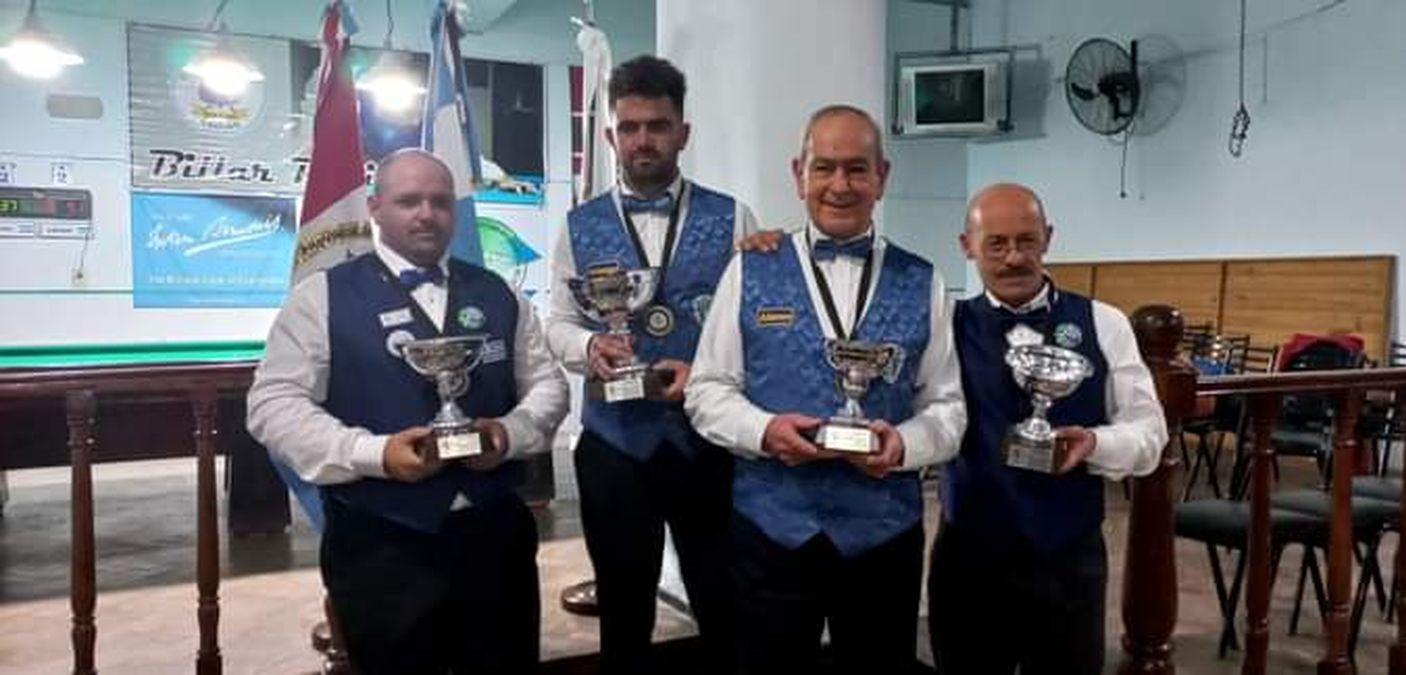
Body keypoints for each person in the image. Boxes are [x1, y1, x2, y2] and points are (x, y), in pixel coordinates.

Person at [247, 148, 568, 675]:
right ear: (375, 208)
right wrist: (375, 454)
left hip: (494, 538)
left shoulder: (499, 292)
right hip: (381, 543)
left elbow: (548, 386)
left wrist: (509, 435)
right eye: (408, 201)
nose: (426, 213)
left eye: (440, 202)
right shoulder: (321, 297)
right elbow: (272, 405)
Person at [685, 104, 965, 674]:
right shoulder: (749, 269)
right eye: (824, 168)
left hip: (884, 535)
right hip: (771, 531)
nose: (840, 185)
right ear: (799, 174)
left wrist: (905, 446)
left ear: (882, 177)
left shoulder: (924, 279)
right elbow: (707, 390)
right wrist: (765, 432)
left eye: (857, 169)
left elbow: (948, 405)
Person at [546, 55, 758, 674]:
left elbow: (752, 322)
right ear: (611, 134)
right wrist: (589, 349)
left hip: (708, 439)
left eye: (658, 126)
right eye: (630, 126)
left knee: (723, 595)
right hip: (615, 445)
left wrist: (714, 372)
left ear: (682, 133)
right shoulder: (578, 226)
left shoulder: (732, 216)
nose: (644, 140)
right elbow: (557, 321)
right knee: (623, 603)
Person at [927, 183, 1167, 674]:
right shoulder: (943, 325)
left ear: (1048, 238)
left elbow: (1149, 433)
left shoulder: (1105, 322)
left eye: (1026, 240)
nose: (1014, 257)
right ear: (966, 245)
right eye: (996, 243)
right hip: (969, 558)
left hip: (1069, 558)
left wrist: (1097, 443)